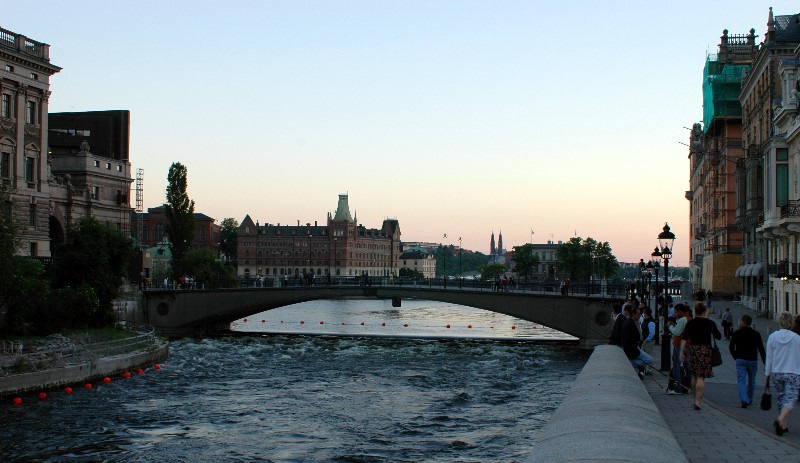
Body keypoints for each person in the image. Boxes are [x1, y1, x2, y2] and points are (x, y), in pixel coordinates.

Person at [680, 302, 722, 410]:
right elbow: (719, 336)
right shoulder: (710, 323)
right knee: (701, 376)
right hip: (705, 350)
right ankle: (698, 401)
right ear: (704, 311)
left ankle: (695, 397)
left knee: (694, 374)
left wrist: (681, 352)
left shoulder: (691, 323)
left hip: (693, 349)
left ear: (695, 311)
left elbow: (684, 338)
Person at [764, 312, 800, 435]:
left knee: (781, 397)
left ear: (780, 322)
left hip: (776, 371)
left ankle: (783, 425)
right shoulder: (796, 338)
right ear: (791, 322)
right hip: (792, 372)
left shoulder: (772, 337)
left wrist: (767, 374)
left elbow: (769, 357)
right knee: (791, 398)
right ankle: (780, 420)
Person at [728, 314, 766, 408]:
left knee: (741, 380)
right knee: (752, 381)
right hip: (753, 360)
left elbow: (731, 347)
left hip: (740, 359)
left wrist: (736, 357)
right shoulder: (756, 334)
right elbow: (761, 349)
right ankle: (749, 398)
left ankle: (744, 399)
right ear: (750, 323)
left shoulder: (737, 333)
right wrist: (765, 362)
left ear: (742, 322)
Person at [621, 305, 652, 378]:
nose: (639, 316)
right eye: (638, 314)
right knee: (649, 359)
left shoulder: (629, 322)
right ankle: (630, 363)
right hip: (633, 348)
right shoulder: (629, 324)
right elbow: (628, 338)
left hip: (633, 348)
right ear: (633, 314)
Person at [667, 304, 691, 394]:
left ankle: (678, 388)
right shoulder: (688, 319)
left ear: (681, 311)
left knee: (676, 366)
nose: (675, 314)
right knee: (687, 366)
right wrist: (675, 324)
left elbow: (676, 332)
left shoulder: (682, 319)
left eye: (676, 312)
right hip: (687, 345)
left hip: (679, 345)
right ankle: (691, 386)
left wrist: (670, 326)